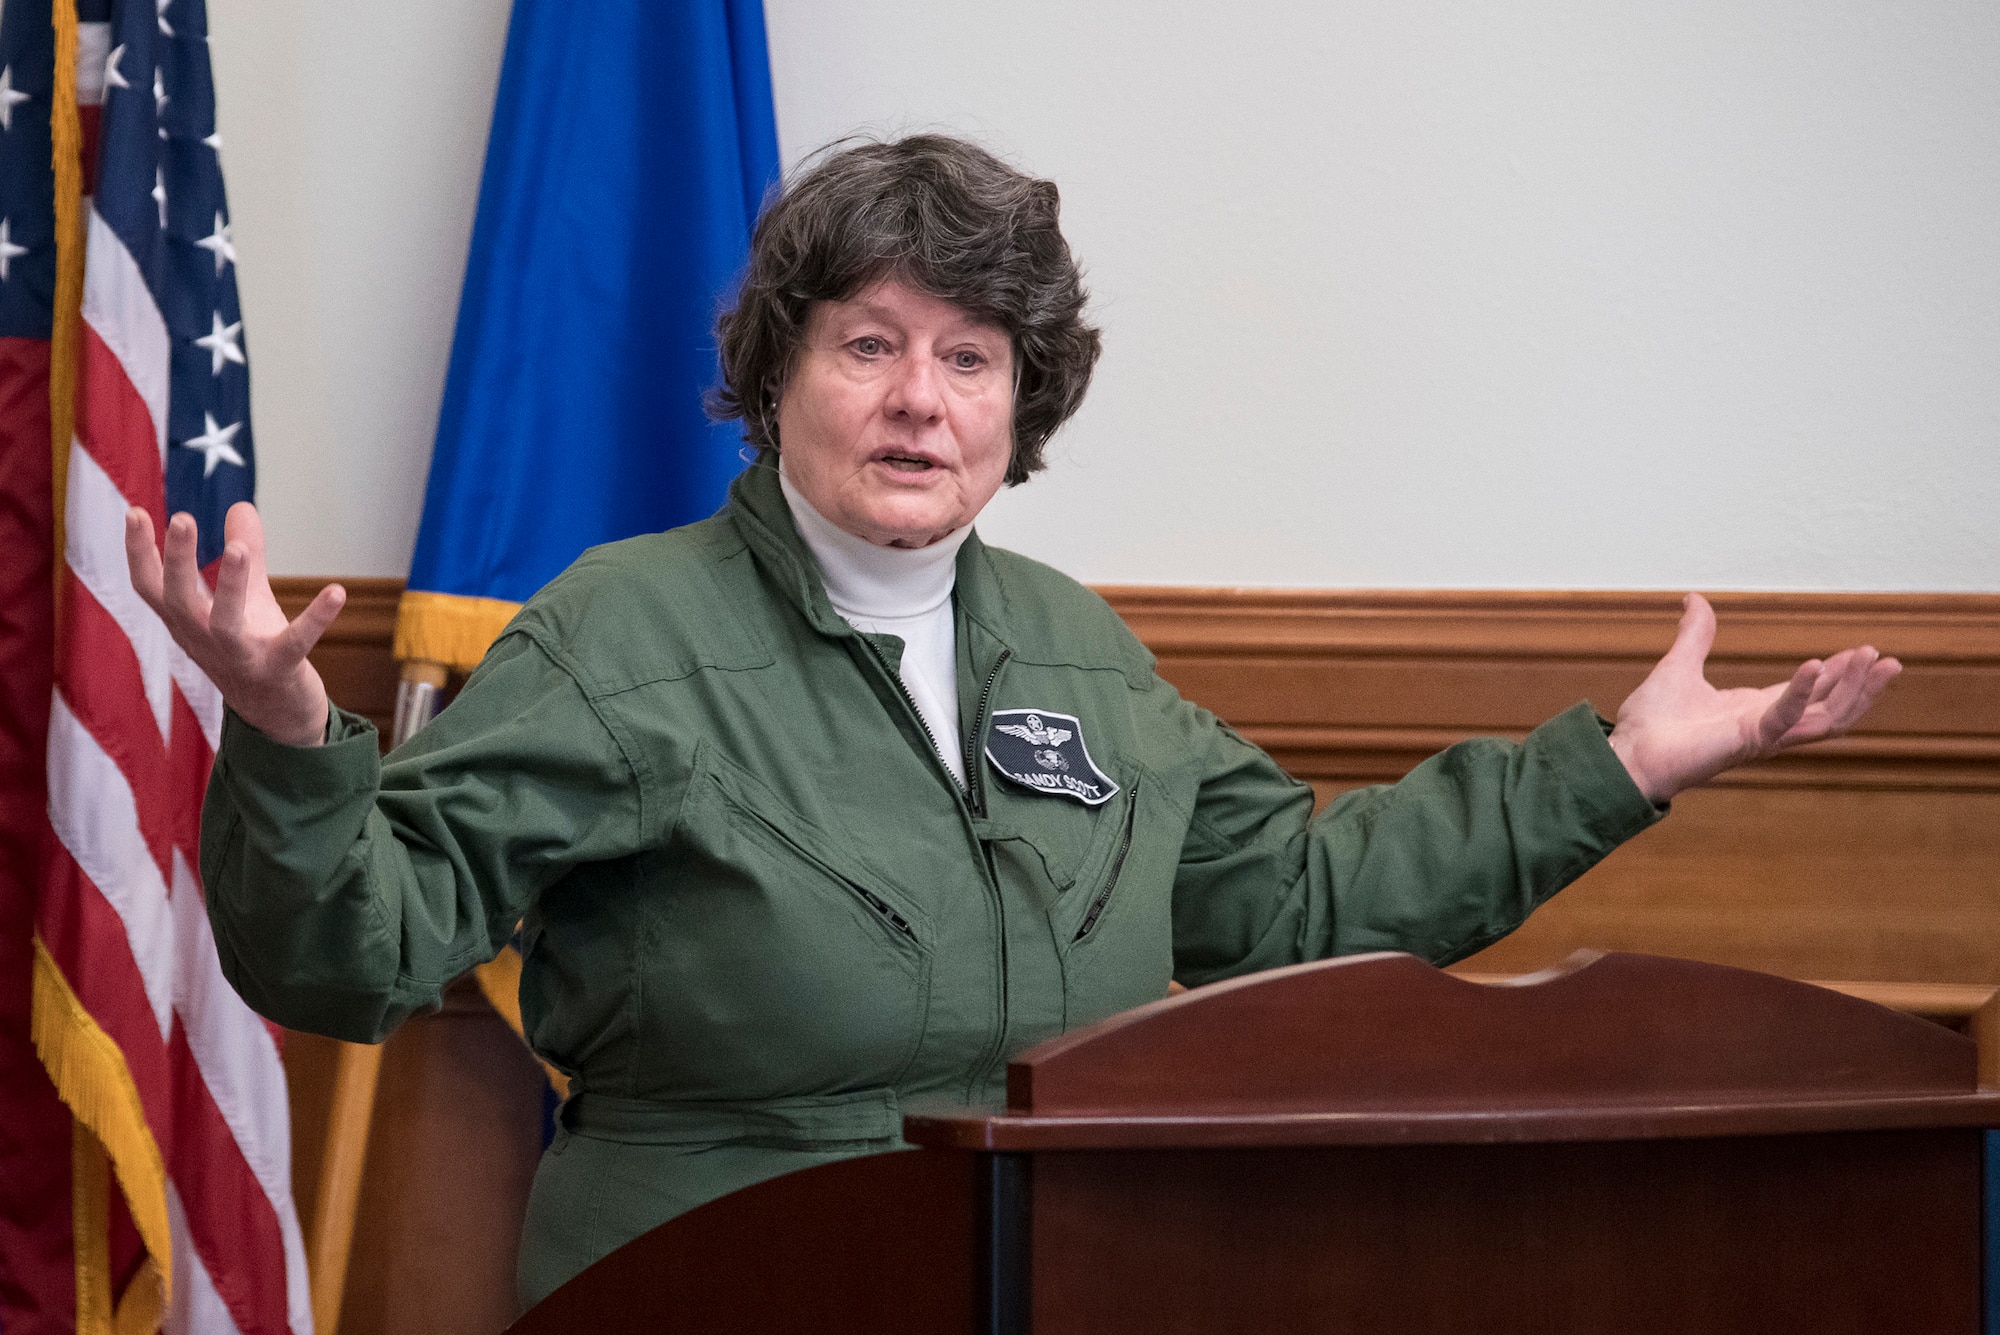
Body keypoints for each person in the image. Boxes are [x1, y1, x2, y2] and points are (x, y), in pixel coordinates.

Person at [126, 135, 1900, 1307]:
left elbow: (1294, 902)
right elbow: (353, 953)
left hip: (1066, 1277)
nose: (919, 401)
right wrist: (289, 735)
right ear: (773, 375)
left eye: (971, 358)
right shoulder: (621, 633)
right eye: (868, 345)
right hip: (719, 1286)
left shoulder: (1072, 646)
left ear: (1022, 403)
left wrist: (1622, 767)